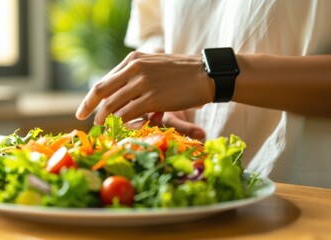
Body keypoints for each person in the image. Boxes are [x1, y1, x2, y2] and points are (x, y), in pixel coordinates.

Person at [75, 0, 331, 188]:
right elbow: (157, 32)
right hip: (195, 194)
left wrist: (210, 75)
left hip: (309, 200)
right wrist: (160, 105)